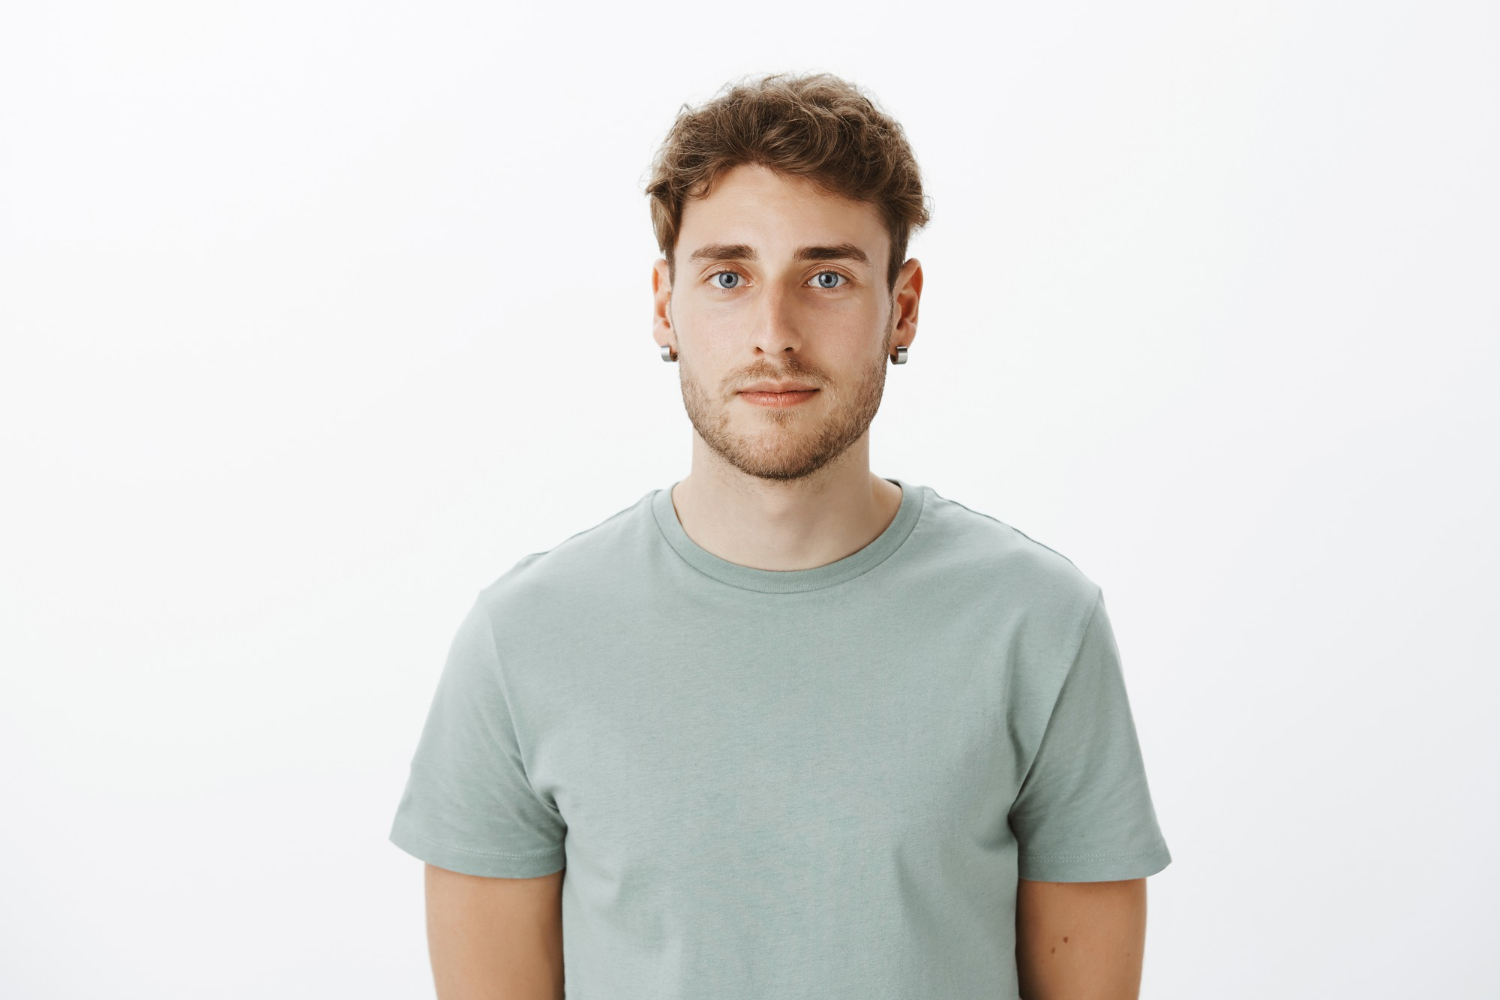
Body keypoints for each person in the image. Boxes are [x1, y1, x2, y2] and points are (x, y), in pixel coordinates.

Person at [389, 70, 1171, 1000]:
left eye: (827, 277)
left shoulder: (1038, 625)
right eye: (728, 277)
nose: (774, 333)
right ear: (665, 305)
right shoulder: (523, 640)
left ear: (903, 307)